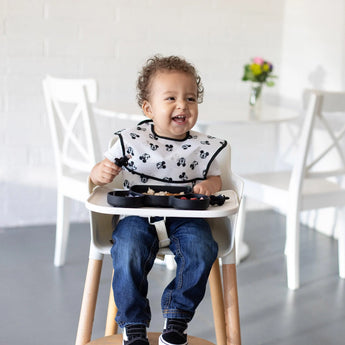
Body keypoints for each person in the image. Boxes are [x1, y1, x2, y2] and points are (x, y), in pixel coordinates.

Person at [90, 55, 227, 345]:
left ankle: (176, 319)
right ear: (149, 108)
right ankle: (133, 324)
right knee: (126, 251)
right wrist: (100, 172)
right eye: (171, 98)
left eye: (190, 98)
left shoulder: (200, 146)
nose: (183, 105)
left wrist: (207, 185)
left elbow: (217, 179)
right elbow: (97, 174)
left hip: (187, 215)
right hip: (136, 215)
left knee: (202, 249)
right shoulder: (132, 140)